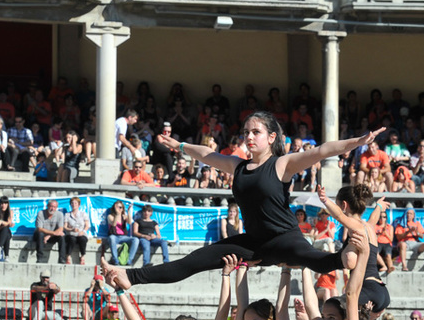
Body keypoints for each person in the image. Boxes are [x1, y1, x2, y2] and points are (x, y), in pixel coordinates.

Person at [101, 112, 378, 290]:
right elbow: (207, 155)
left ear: (271, 137)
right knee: (193, 261)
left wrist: (357, 141)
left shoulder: (283, 164)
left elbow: (322, 150)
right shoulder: (239, 166)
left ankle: (343, 257)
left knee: (312, 258)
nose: (249, 136)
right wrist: (179, 146)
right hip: (253, 243)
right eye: (247, 132)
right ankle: (130, 277)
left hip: (284, 238)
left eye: (256, 132)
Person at [316, 185, 390, 314]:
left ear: (344, 205)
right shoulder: (368, 227)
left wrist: (325, 200)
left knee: (331, 307)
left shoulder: (355, 225)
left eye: (338, 205)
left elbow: (339, 216)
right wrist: (378, 206)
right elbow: (373, 218)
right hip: (380, 290)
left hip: (367, 289)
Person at [33, 199, 66, 264]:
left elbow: (61, 228)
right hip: (41, 235)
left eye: (54, 207)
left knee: (62, 236)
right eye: (51, 206)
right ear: (47, 206)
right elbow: (40, 228)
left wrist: (49, 236)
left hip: (51, 236)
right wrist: (53, 233)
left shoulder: (60, 214)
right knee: (40, 234)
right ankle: (40, 258)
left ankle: (62, 259)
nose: (52, 209)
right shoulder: (41, 213)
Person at [63, 196, 89, 265]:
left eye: (75, 203)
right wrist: (71, 229)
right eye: (72, 203)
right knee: (72, 239)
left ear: (79, 205)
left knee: (82, 239)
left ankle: (82, 256)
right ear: (70, 204)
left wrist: (83, 232)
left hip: (81, 233)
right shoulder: (67, 214)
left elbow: (87, 226)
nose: (74, 204)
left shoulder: (83, 214)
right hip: (71, 233)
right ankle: (68, 256)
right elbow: (65, 227)